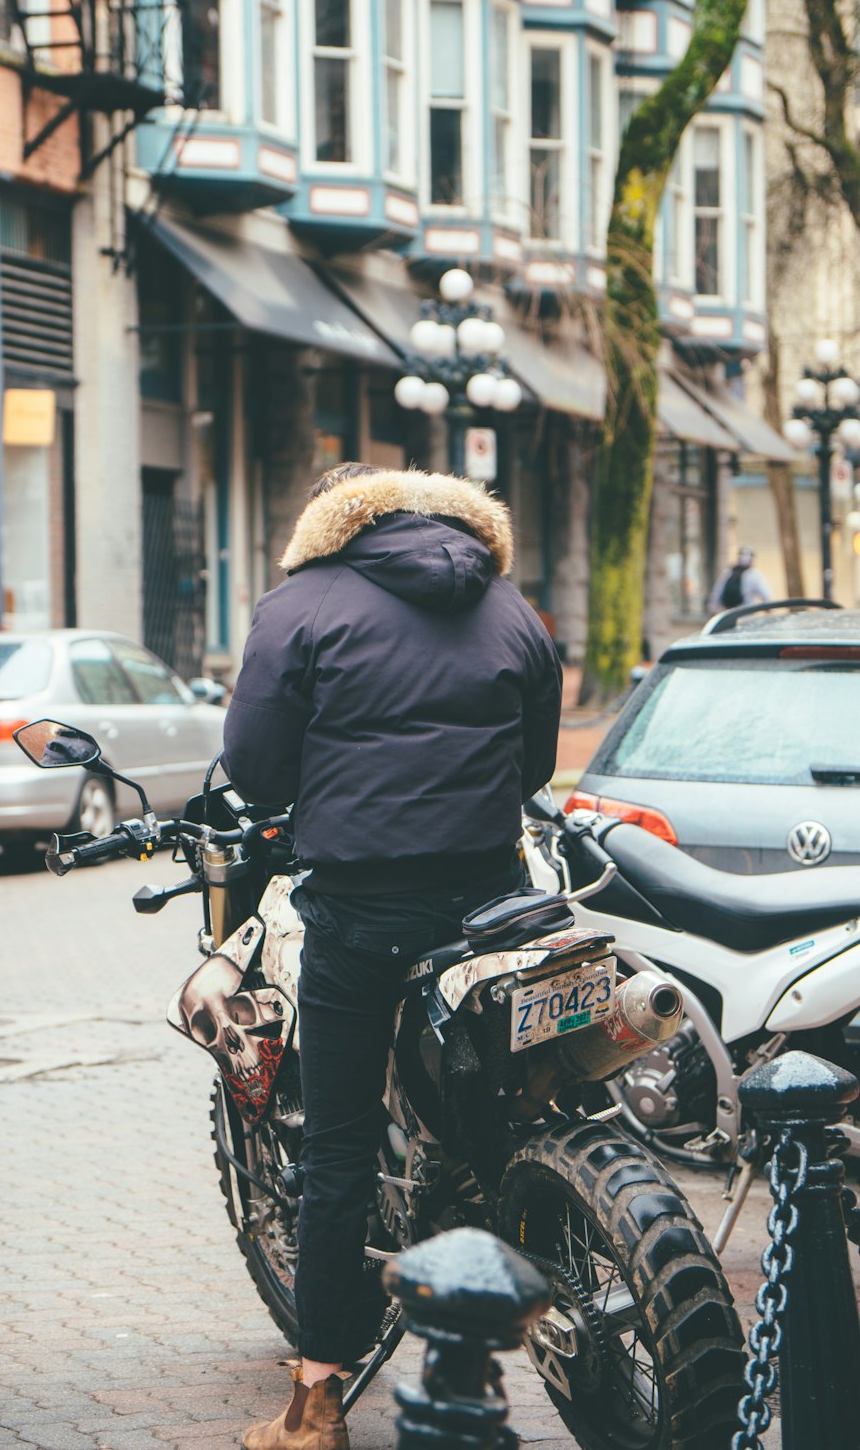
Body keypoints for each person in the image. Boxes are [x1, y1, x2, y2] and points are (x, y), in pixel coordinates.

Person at [222, 464, 562, 1450]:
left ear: (332, 525)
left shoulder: (300, 605)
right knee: (505, 1106)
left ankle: (318, 1397)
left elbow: (253, 769)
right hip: (493, 901)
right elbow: (531, 767)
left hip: (362, 911)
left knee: (335, 1149)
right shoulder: (508, 606)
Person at [707, 546, 772, 614]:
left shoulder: (728, 572)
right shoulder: (754, 574)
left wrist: (712, 607)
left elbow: (716, 593)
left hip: (728, 614)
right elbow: (766, 595)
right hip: (745, 614)